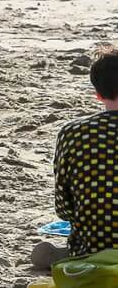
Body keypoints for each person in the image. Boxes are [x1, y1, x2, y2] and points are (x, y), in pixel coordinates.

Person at [33, 45, 118, 267]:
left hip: (90, 250)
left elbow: (63, 209)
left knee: (48, 255)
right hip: (93, 252)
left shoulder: (72, 132)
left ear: (98, 94)